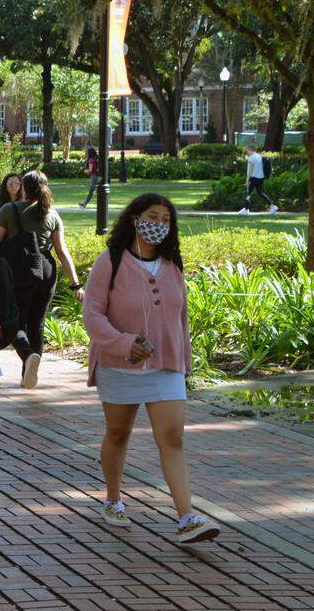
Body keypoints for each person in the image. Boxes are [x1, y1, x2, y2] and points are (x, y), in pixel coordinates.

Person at [83, 193, 221, 545]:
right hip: (118, 367)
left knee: (173, 437)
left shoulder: (173, 265)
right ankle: (113, 499)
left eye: (166, 220)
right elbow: (93, 315)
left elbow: (181, 318)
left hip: (165, 366)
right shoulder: (109, 262)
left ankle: (186, 517)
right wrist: (123, 343)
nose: (158, 225)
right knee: (118, 434)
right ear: (134, 218)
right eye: (152, 216)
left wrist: (184, 361)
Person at [0, 171, 84, 389]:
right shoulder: (52, 214)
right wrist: (76, 284)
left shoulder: (9, 209)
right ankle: (28, 375)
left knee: (13, 319)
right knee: (37, 324)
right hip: (46, 270)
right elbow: (62, 252)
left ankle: (26, 354)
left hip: (18, 270)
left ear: (24, 187)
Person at [239, 145, 278, 216]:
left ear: (250, 150)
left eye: (247, 150)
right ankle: (272, 205)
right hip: (261, 178)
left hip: (253, 178)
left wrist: (247, 181)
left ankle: (246, 209)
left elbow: (250, 171)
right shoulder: (259, 156)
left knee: (248, 192)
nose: (246, 152)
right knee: (260, 193)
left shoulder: (251, 158)